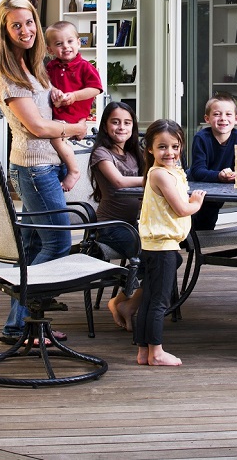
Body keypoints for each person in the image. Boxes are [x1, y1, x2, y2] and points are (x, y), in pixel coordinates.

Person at [0, 0, 87, 345]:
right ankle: (29, 322)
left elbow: (44, 111)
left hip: (39, 165)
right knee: (58, 242)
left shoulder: (31, 67)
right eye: (16, 25)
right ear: (5, 31)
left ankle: (19, 327)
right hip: (35, 168)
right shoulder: (9, 75)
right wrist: (74, 128)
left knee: (32, 249)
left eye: (29, 22)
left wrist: (57, 97)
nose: (26, 30)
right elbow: (38, 128)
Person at [135, 119, 206, 366]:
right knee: (159, 302)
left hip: (156, 245)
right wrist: (195, 203)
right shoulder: (160, 175)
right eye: (162, 147)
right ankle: (157, 352)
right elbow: (181, 208)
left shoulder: (167, 172)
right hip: (163, 246)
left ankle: (143, 352)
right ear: (150, 149)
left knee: (149, 299)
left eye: (175, 146)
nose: (170, 152)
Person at [88, 101, 146, 331]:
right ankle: (127, 303)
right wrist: (157, 177)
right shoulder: (101, 154)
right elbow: (119, 182)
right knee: (152, 256)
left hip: (133, 224)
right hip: (109, 227)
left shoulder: (134, 153)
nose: (122, 127)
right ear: (105, 125)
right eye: (115, 122)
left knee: (169, 255)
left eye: (127, 122)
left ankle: (123, 301)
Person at [187, 92, 237, 231]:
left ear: (236, 119)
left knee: (207, 224)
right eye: (217, 114)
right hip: (196, 188)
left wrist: (235, 175)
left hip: (219, 188)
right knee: (195, 225)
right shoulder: (201, 138)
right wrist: (219, 176)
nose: (223, 118)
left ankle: (200, 248)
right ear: (207, 118)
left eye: (228, 114)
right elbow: (197, 171)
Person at [45, 20, 103, 127]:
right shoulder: (51, 66)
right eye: (59, 44)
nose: (65, 46)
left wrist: (75, 96)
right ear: (50, 50)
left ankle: (63, 145)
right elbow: (44, 83)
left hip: (75, 117)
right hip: (53, 116)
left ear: (79, 43)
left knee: (56, 140)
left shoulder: (85, 66)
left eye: (70, 41)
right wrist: (53, 89)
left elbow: (95, 89)